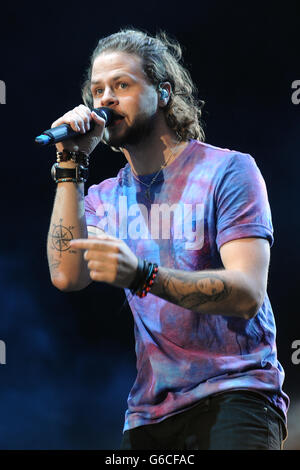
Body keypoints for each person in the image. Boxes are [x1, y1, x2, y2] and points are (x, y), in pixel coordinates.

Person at [47, 28, 289, 450]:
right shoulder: (104, 197)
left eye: (121, 84)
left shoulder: (228, 172)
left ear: (162, 93)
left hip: (237, 393)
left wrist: (142, 275)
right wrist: (70, 164)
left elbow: (248, 292)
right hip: (148, 413)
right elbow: (68, 276)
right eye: (97, 89)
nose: (104, 99)